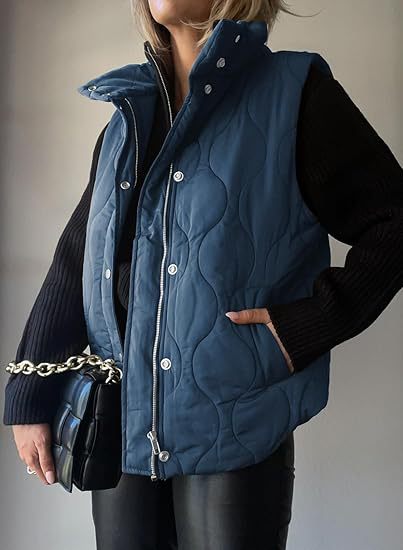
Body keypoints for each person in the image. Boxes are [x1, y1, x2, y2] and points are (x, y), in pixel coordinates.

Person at [3, 1, 403, 549]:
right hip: (121, 424)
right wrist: (31, 390)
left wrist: (303, 327)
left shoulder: (294, 93)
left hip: (236, 419)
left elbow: (394, 222)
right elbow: (79, 257)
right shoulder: (129, 113)